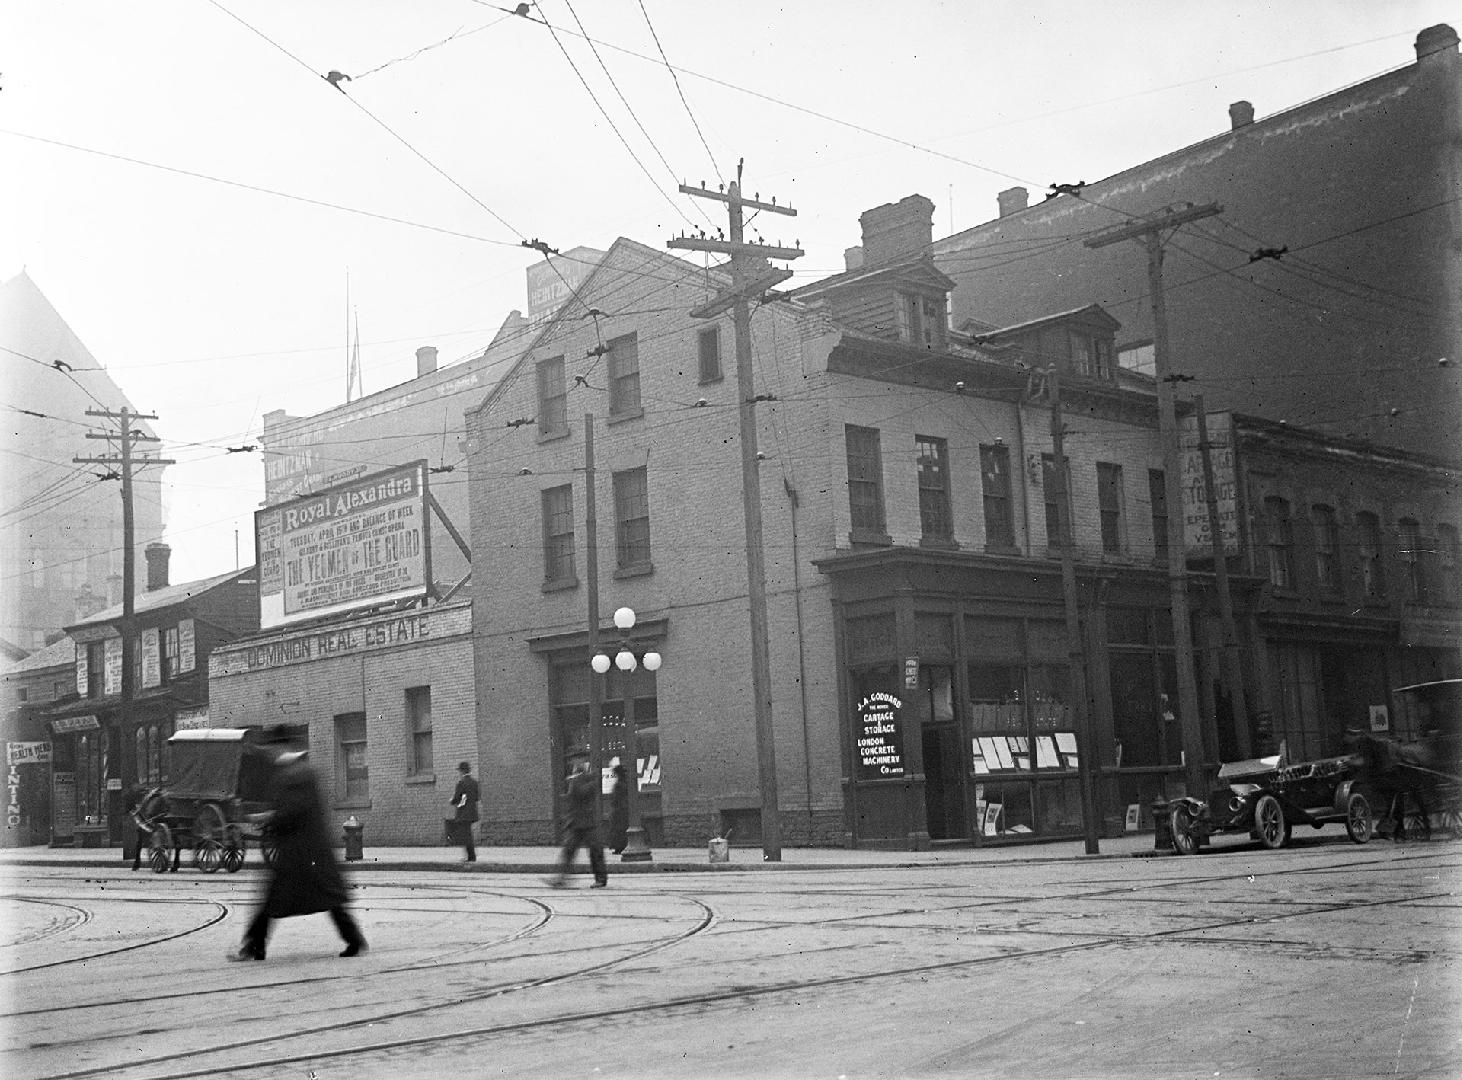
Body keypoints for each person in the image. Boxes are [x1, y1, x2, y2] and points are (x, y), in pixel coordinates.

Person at [230, 730, 366, 961]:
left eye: (272, 748)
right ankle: (354, 939)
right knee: (328, 898)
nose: (270, 753)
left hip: (298, 853)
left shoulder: (294, 774)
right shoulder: (301, 771)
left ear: (282, 747)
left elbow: (291, 812)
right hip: (309, 852)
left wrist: (263, 818)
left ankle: (254, 947)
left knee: (273, 901)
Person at [550, 749, 606, 888]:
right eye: (574, 760)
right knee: (569, 850)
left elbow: (584, 792)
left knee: (595, 850)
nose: (576, 762)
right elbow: (574, 796)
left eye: (578, 759)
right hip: (576, 822)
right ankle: (561, 878)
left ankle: (600, 879)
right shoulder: (576, 777)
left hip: (586, 821)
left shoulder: (585, 776)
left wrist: (591, 779)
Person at [450, 761, 480, 863]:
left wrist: (452, 801)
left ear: (462, 771)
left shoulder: (461, 783)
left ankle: (471, 857)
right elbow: (476, 797)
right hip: (472, 811)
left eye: (459, 771)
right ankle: (471, 856)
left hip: (463, 812)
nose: (459, 773)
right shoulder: (475, 782)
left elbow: (457, 798)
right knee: (468, 834)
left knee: (466, 835)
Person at [606, 760, 629, 855]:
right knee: (621, 829)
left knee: (618, 830)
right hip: (623, 810)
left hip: (618, 810)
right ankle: (620, 846)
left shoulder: (619, 784)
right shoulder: (624, 783)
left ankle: (619, 847)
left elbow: (615, 798)